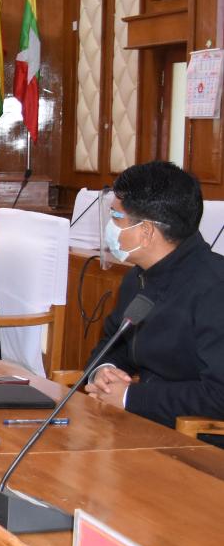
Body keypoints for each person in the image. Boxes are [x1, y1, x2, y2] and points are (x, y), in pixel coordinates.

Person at [84, 162, 224, 427]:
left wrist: (130, 397)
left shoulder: (215, 288)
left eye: (116, 217)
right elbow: (114, 344)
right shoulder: (137, 278)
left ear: (146, 231)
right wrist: (103, 372)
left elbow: (219, 395)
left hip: (196, 440)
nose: (110, 226)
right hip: (141, 424)